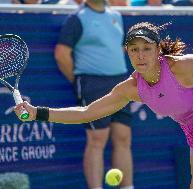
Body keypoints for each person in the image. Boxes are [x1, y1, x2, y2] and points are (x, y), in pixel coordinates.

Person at [15, 22, 193, 189]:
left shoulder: (182, 66)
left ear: (157, 50)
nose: (140, 55)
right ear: (127, 53)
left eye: (146, 48)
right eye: (134, 49)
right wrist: (37, 112)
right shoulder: (131, 89)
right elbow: (87, 113)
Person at [53, 0, 134, 189]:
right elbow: (61, 54)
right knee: (97, 139)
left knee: (123, 137)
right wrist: (79, 81)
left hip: (120, 84)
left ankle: (128, 187)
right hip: (92, 84)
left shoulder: (116, 15)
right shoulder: (76, 18)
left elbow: (118, 49)